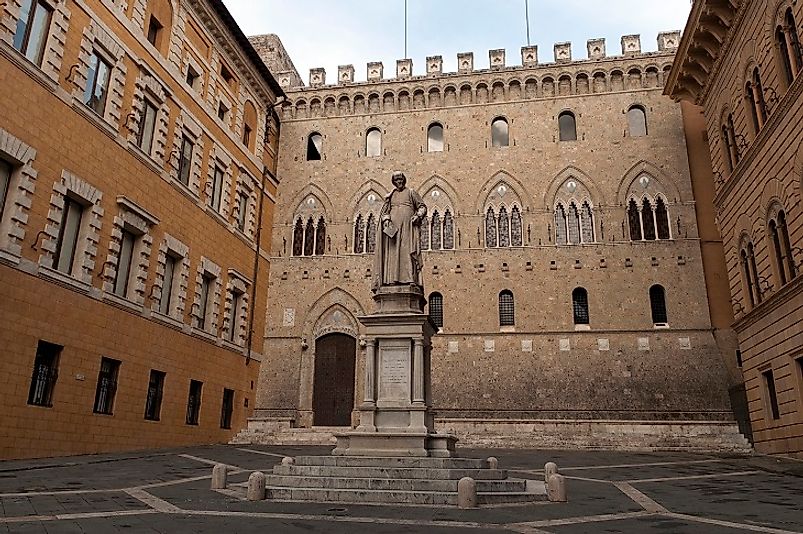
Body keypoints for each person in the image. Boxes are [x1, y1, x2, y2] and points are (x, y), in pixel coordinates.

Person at [372, 171, 427, 290]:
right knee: (393, 254)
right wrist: (386, 220)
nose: (399, 181)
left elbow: (422, 207)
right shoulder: (390, 196)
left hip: (408, 228)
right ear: (393, 181)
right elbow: (385, 212)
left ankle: (410, 279)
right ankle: (391, 280)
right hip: (393, 232)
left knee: (407, 251)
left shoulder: (411, 193)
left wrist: (418, 215)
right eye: (396, 179)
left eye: (401, 179)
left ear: (404, 179)